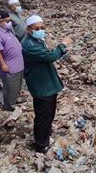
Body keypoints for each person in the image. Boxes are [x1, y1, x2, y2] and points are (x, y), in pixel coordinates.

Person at [21, 15, 72, 153]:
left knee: (47, 113)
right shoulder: (29, 45)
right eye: (37, 28)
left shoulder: (36, 40)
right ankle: (41, 144)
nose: (40, 30)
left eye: (42, 27)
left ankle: (45, 134)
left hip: (45, 82)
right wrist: (63, 44)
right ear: (29, 29)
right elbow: (50, 56)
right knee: (43, 115)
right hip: (42, 85)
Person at [0, 10, 24, 112]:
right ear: (0, 21)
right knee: (9, 86)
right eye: (7, 21)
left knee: (16, 84)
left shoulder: (8, 30)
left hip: (18, 64)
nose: (9, 23)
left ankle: (14, 99)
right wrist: (3, 64)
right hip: (9, 65)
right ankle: (8, 104)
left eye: (10, 21)